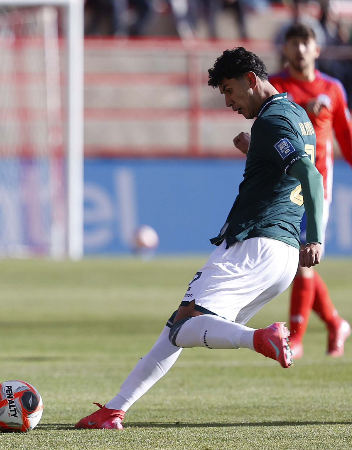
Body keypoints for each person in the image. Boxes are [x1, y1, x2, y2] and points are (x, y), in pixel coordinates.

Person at [76, 47, 324, 430]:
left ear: (251, 80)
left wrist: (317, 237)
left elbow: (310, 174)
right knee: (179, 325)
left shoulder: (272, 121)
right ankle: (113, 410)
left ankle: (262, 338)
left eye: (229, 90)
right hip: (282, 256)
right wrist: (255, 152)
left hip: (255, 243)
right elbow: (288, 171)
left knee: (185, 326)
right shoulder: (296, 115)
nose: (228, 102)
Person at [269, 22, 352, 359]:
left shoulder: (332, 89)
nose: (300, 49)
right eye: (294, 42)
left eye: (306, 42)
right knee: (289, 261)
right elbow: (269, 126)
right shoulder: (275, 86)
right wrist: (304, 110)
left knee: (302, 260)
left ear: (317, 49)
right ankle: (335, 323)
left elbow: (346, 137)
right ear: (285, 49)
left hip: (315, 187)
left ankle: (297, 339)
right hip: (280, 185)